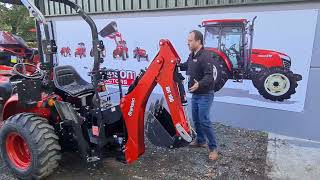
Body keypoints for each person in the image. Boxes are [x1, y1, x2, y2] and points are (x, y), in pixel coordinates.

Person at [179, 30, 218, 161]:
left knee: (204, 121)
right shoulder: (192, 55)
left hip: (205, 95)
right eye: (188, 40)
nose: (187, 42)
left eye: (190, 40)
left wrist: (199, 84)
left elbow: (209, 76)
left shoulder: (205, 56)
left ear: (198, 41)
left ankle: (213, 148)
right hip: (195, 94)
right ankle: (200, 140)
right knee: (196, 119)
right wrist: (175, 65)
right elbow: (187, 66)